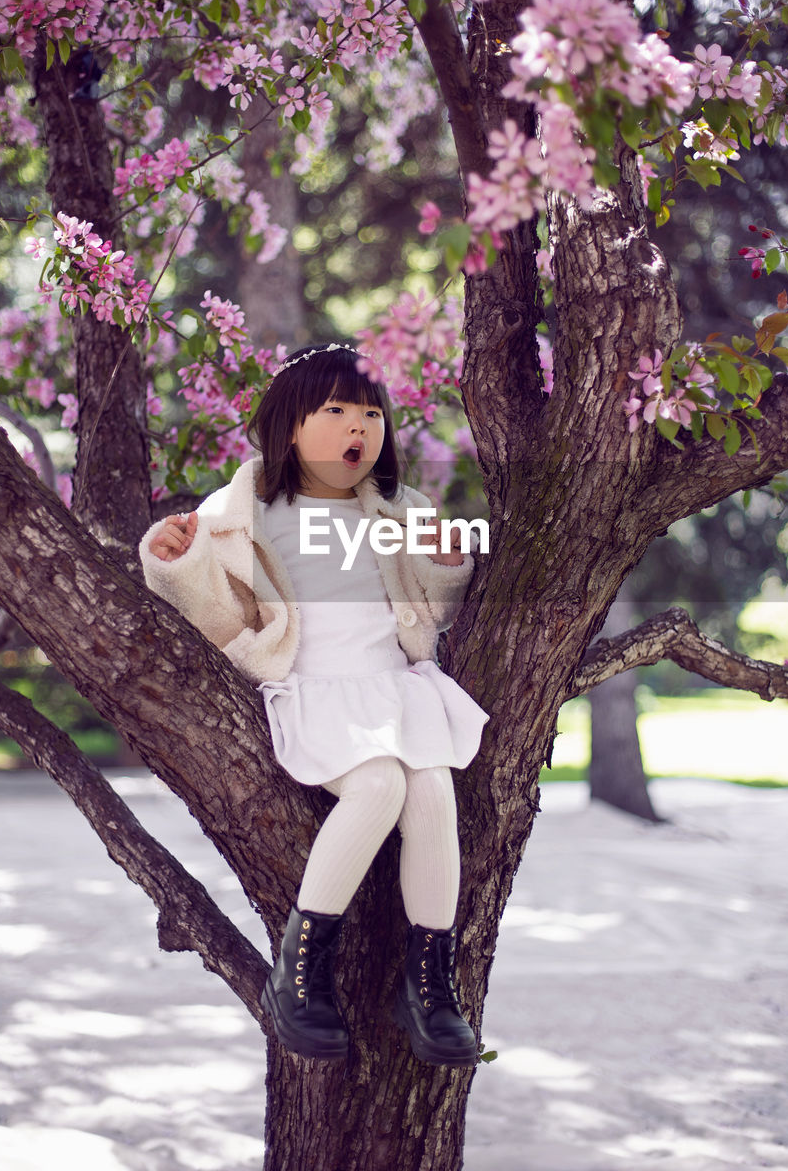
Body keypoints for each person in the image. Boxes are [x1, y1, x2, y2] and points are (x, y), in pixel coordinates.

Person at [140, 342, 488, 1067]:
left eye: (369, 413)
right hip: (313, 690)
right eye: (334, 411)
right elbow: (208, 607)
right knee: (380, 783)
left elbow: (431, 606)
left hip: (394, 685)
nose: (356, 427)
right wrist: (171, 558)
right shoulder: (242, 511)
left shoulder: (401, 508)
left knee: (430, 793)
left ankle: (429, 985)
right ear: (290, 425)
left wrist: (448, 562)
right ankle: (298, 976)